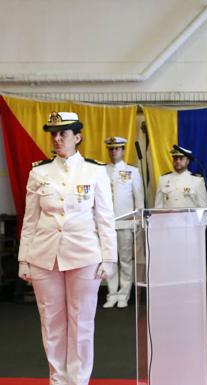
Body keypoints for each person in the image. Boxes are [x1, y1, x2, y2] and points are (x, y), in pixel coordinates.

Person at [17, 112, 117, 385]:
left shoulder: (95, 171)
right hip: (43, 256)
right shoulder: (39, 171)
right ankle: (58, 380)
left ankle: (79, 379)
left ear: (78, 137)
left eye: (63, 133)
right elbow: (30, 220)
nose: (57, 138)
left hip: (84, 255)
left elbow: (105, 218)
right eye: (53, 133)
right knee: (51, 322)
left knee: (82, 321)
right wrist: (23, 259)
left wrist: (109, 257)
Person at [102, 136, 144, 309]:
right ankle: (112, 294)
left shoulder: (132, 171)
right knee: (110, 260)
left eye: (117, 148)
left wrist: (138, 222)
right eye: (111, 149)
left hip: (125, 223)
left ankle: (124, 294)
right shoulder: (101, 170)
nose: (113, 152)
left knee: (126, 260)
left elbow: (139, 199)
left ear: (123, 150)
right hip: (106, 224)